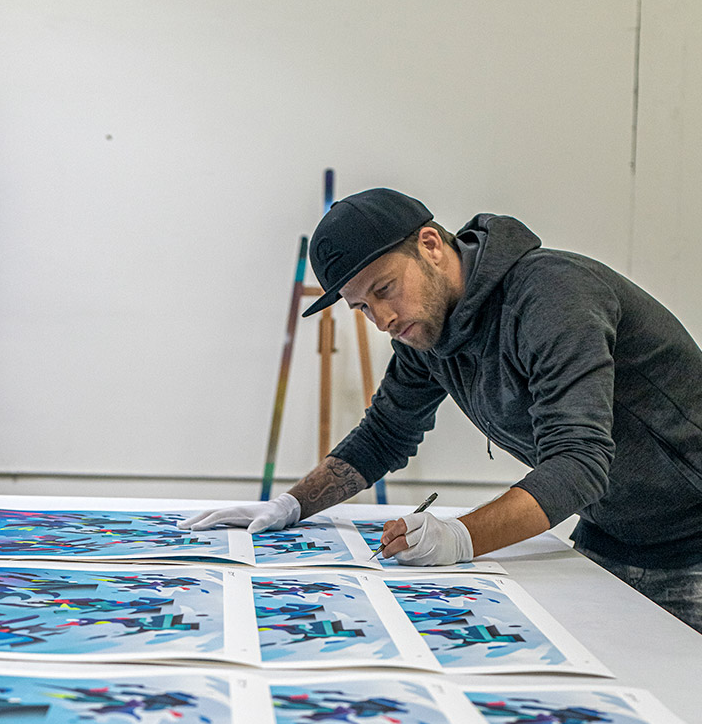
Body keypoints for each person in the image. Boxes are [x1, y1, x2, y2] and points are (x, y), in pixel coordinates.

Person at [183, 187, 702, 631]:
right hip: (615, 530)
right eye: (362, 307)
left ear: (430, 245)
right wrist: (291, 506)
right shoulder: (427, 333)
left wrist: (460, 536)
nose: (383, 320)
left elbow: (579, 462)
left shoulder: (552, 296)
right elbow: (384, 434)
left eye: (385, 289)